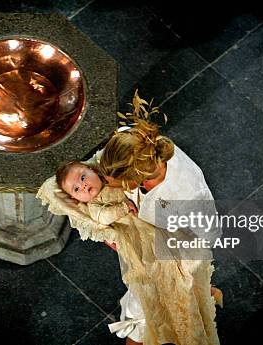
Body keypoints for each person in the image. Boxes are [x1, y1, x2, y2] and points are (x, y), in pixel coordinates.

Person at [88, 90, 223, 344]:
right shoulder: (134, 143)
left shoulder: (188, 195)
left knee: (142, 313)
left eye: (109, 180)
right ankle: (206, 294)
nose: (102, 182)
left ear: (137, 177)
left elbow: (200, 242)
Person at [39, 159, 220, 345]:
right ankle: (159, 315)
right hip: (135, 238)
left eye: (83, 177)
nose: (84, 186)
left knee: (178, 261)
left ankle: (198, 291)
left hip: (150, 226)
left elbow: (132, 187)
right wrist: (123, 207)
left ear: (94, 171)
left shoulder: (113, 181)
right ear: (76, 200)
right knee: (150, 281)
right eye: (76, 189)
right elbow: (103, 217)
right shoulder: (95, 205)